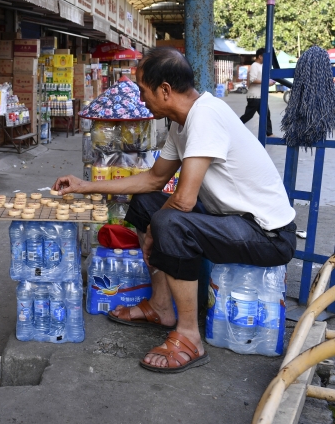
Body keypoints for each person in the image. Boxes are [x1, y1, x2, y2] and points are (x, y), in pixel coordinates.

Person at [53, 47, 295, 373]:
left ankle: (189, 336)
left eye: (143, 91)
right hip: (233, 222)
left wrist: (154, 233)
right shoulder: (180, 124)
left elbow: (183, 200)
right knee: (147, 206)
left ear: (165, 90)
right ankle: (161, 307)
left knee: (169, 222)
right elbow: (154, 179)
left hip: (268, 234)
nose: (142, 100)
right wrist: (85, 186)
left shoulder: (205, 115)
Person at [239, 47, 274, 137]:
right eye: (265, 56)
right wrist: (266, 81)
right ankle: (233, 127)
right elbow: (252, 80)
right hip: (254, 96)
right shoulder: (254, 65)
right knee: (248, 116)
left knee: (266, 114)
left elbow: (262, 79)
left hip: (261, 96)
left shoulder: (262, 66)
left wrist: (270, 82)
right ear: (260, 56)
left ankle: (269, 133)